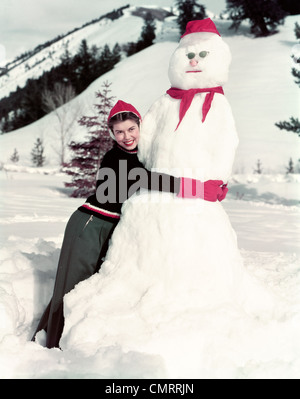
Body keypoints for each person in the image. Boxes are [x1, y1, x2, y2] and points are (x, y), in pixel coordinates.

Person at [31, 100, 227, 349]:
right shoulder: (117, 157)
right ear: (112, 134)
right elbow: (154, 180)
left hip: (107, 227)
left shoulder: (138, 155)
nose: (126, 136)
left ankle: (61, 340)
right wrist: (201, 188)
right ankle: (48, 345)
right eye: (119, 132)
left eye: (131, 129)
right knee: (69, 287)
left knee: (85, 288)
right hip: (89, 224)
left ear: (139, 126)